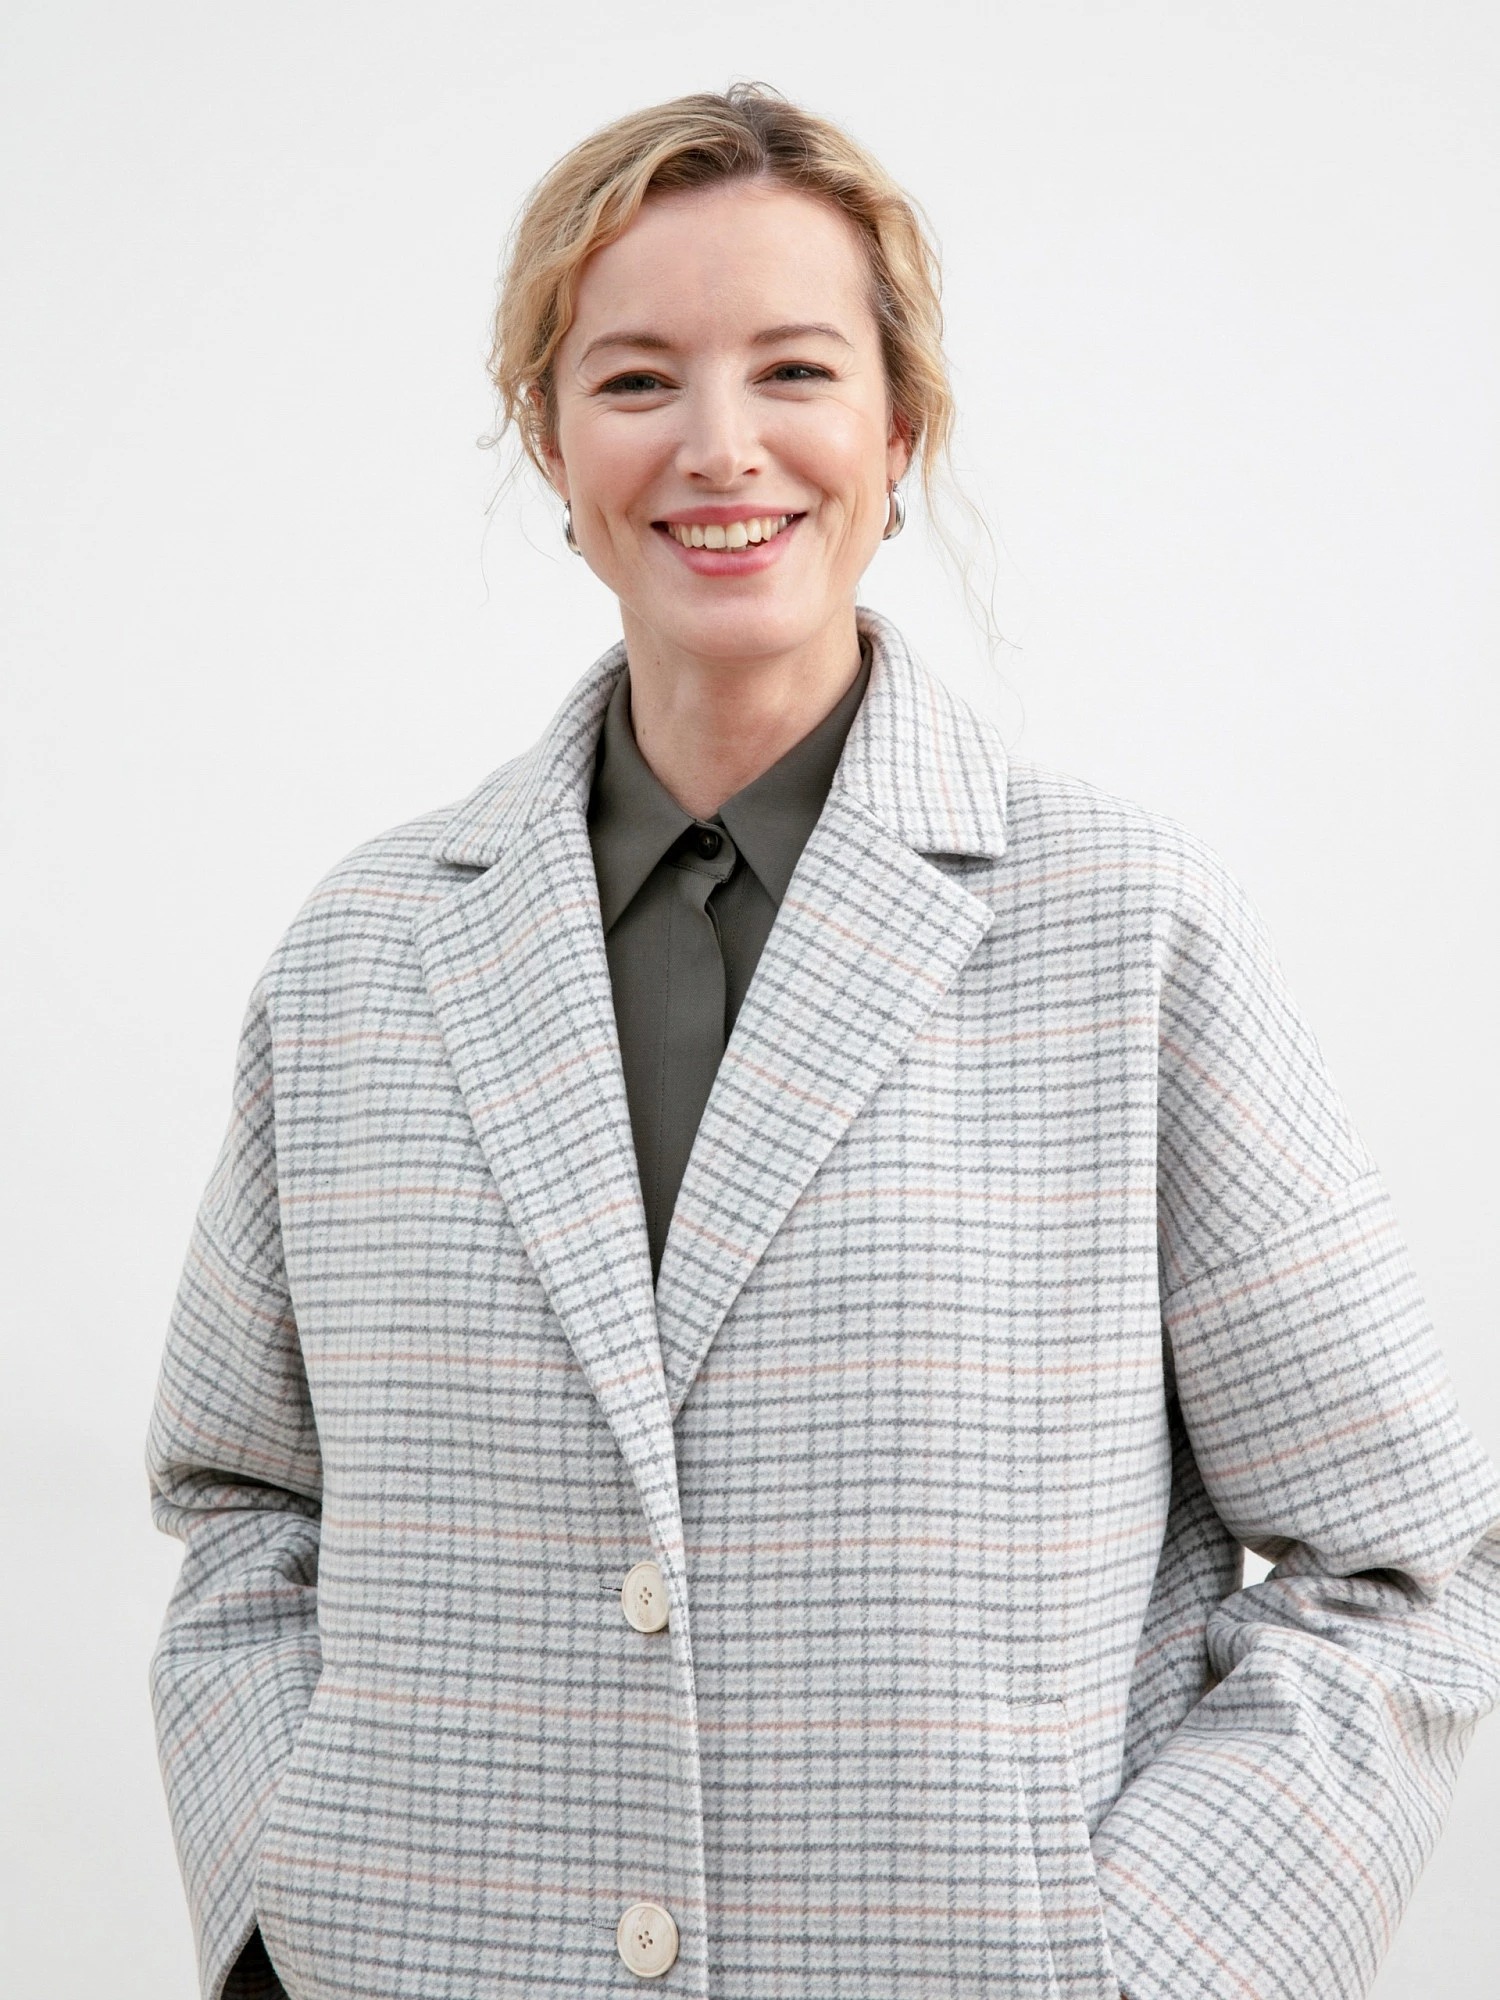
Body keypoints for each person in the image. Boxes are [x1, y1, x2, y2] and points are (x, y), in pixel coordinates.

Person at [146, 84, 1500, 2000]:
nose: (720, 445)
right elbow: (239, 1507)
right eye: (636, 380)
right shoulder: (361, 957)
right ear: (550, 440)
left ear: (898, 429)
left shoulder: (1128, 930)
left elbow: (1403, 1569)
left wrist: (1146, 1971)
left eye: (795, 369)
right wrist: (285, 1929)